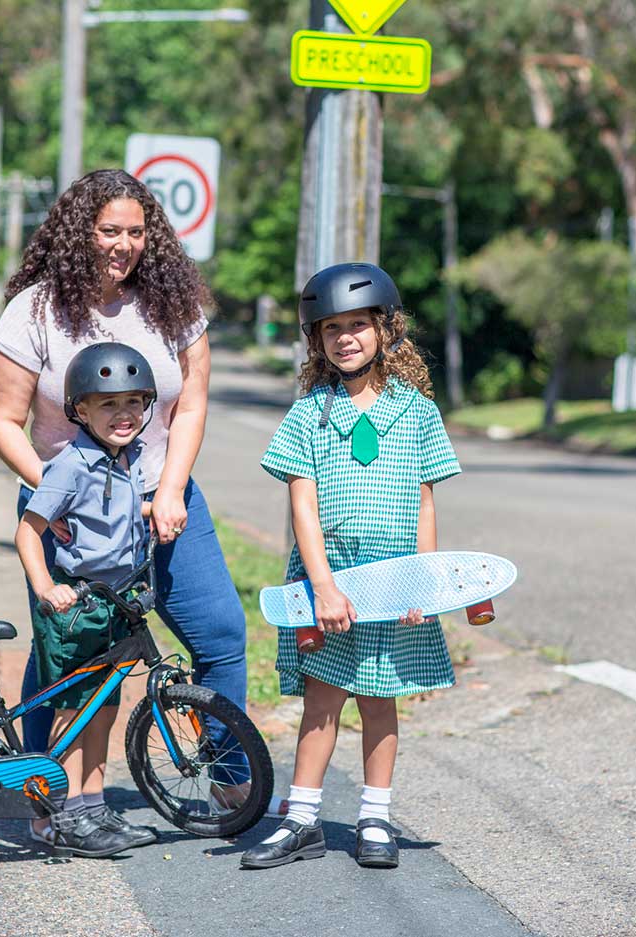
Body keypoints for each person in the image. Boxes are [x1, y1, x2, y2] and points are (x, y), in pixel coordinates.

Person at [0, 168, 258, 822]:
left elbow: (190, 402)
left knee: (220, 633)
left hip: (163, 502)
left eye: (137, 231)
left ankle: (229, 772)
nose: (125, 244)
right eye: (111, 230)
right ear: (80, 232)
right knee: (69, 654)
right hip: (69, 512)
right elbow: (1, 419)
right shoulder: (37, 311)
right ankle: (48, 789)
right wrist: (55, 496)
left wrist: (170, 489)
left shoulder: (170, 304)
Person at [241, 262, 461, 872]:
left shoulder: (416, 411)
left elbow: (424, 500)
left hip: (394, 584)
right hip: (330, 582)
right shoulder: (311, 412)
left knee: (380, 700)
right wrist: (323, 586)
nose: (345, 337)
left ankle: (375, 817)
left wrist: (424, 582)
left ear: (385, 329)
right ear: (316, 339)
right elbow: (302, 505)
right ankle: (302, 820)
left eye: (358, 325)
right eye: (331, 328)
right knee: (322, 700)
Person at [15, 342, 160, 856]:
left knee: (103, 708)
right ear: (79, 410)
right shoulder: (71, 465)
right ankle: (63, 811)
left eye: (133, 403)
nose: (123, 415)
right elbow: (28, 532)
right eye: (107, 404)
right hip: (75, 608)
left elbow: (112, 515)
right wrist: (44, 587)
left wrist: (149, 512)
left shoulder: (129, 458)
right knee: (72, 711)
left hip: (117, 604)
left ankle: (93, 807)